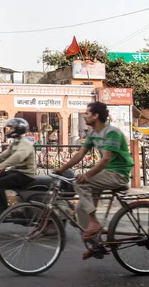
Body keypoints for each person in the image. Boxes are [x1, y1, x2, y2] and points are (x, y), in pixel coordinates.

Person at [55, 102, 133, 259]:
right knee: (79, 210)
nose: (85, 116)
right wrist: (62, 169)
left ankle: (93, 222)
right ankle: (96, 245)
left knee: (79, 182)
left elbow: (105, 160)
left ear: (96, 116)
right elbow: (79, 155)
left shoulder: (112, 133)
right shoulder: (92, 134)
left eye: (87, 113)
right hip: (105, 174)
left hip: (118, 173)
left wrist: (88, 175)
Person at [0, 118, 36, 214]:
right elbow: (3, 156)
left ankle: (1, 209)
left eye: (12, 129)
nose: (10, 131)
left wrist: (1, 167)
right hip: (17, 171)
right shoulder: (16, 142)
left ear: (18, 130)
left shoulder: (24, 144)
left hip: (26, 175)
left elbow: (17, 157)